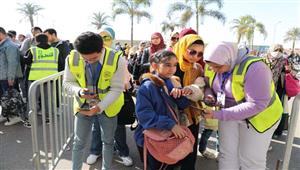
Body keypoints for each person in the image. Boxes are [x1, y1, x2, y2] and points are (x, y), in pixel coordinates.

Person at [202, 41, 282, 170]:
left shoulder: (256, 68)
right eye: (211, 66)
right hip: (229, 114)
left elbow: (256, 104)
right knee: (227, 154)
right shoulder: (212, 63)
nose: (214, 70)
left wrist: (218, 114)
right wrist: (209, 95)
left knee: (250, 159)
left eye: (218, 67)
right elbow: (208, 84)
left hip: (259, 117)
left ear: (229, 59)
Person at [63, 31, 126, 170]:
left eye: (94, 58)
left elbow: (117, 88)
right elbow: (67, 83)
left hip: (108, 106)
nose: (89, 61)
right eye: (85, 59)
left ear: (102, 48)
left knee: (108, 141)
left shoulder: (117, 59)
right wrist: (79, 91)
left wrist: (100, 107)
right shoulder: (72, 58)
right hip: (83, 107)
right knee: (78, 143)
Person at [134, 50, 192, 170]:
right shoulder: (147, 87)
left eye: (175, 65)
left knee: (169, 164)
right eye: (167, 65)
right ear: (154, 65)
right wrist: (170, 125)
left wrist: (181, 94)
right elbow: (145, 116)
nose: (172, 69)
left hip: (169, 137)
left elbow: (182, 106)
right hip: (153, 139)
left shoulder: (172, 82)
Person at [86, 27, 133, 167]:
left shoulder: (118, 56)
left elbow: (125, 79)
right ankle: (95, 151)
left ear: (112, 38)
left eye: (106, 37)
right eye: (100, 37)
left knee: (118, 128)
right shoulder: (90, 55)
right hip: (94, 99)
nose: (103, 41)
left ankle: (123, 152)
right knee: (96, 126)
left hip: (114, 100)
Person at [172, 34, 205, 170]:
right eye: (192, 51)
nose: (196, 56)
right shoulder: (170, 64)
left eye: (200, 54)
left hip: (192, 114)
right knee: (172, 147)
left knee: (190, 146)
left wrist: (194, 89)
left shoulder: (197, 68)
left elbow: (202, 88)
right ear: (183, 47)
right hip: (172, 115)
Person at [0, 27, 23, 125]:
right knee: (4, 98)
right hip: (2, 76)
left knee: (11, 97)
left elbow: (12, 63)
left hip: (7, 77)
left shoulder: (10, 46)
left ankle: (15, 116)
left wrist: (11, 78)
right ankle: (5, 114)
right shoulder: (3, 45)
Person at [264, 44, 287, 138]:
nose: (278, 52)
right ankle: (265, 128)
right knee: (265, 109)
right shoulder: (265, 58)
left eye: (280, 50)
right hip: (265, 87)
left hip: (278, 89)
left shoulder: (285, 60)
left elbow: (292, 72)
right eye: (276, 49)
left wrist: (287, 70)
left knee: (277, 110)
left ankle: (276, 131)